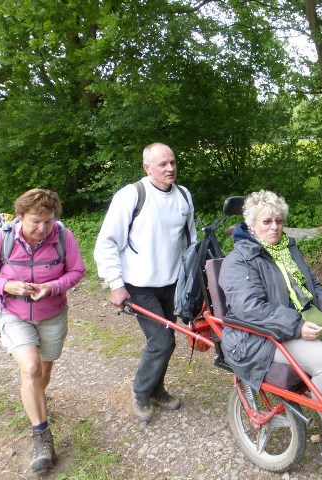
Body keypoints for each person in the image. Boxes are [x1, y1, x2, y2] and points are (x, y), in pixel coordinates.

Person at [219, 190, 322, 474]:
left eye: (279, 220)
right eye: (266, 222)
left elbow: (314, 285)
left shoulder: (288, 248)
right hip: (261, 335)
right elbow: (250, 309)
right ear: (251, 225)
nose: (274, 227)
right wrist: (296, 326)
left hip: (299, 322)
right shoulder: (240, 260)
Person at [94, 142, 197, 423]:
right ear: (146, 167)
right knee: (161, 339)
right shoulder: (131, 196)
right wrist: (115, 284)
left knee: (167, 340)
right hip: (139, 284)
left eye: (173, 162)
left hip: (172, 283)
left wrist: (192, 277)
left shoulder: (184, 196)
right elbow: (106, 243)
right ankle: (140, 392)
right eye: (162, 164)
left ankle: (156, 389)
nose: (170, 168)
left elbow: (191, 242)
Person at [0, 189, 85, 472]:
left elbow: (77, 270)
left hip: (52, 314)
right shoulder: (3, 239)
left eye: (48, 221)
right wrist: (6, 286)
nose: (42, 229)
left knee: (44, 373)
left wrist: (52, 287)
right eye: (35, 221)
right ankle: (41, 435)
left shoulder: (63, 237)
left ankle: (36, 404)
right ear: (20, 215)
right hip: (13, 313)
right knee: (31, 369)